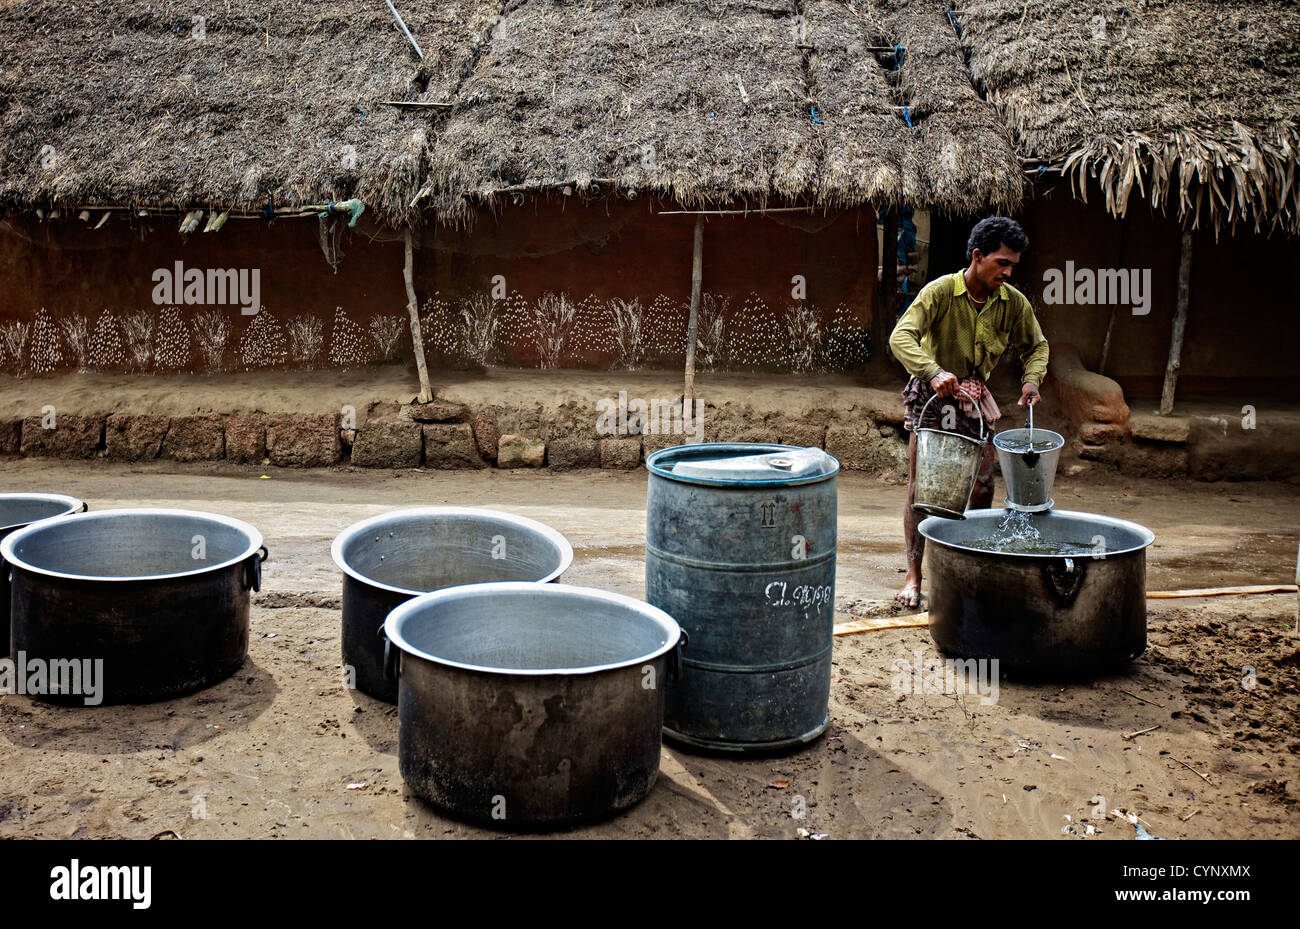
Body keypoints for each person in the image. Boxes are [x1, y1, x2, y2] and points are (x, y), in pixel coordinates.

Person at [888, 216, 1049, 608]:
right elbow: (901, 336)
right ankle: (914, 575)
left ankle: (967, 562)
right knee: (922, 488)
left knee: (982, 485)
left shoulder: (1013, 303)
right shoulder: (941, 291)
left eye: (1013, 266)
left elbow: (1037, 346)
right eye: (1002, 263)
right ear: (978, 257)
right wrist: (934, 370)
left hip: (974, 398)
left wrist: (1031, 380)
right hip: (931, 392)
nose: (1008, 272)